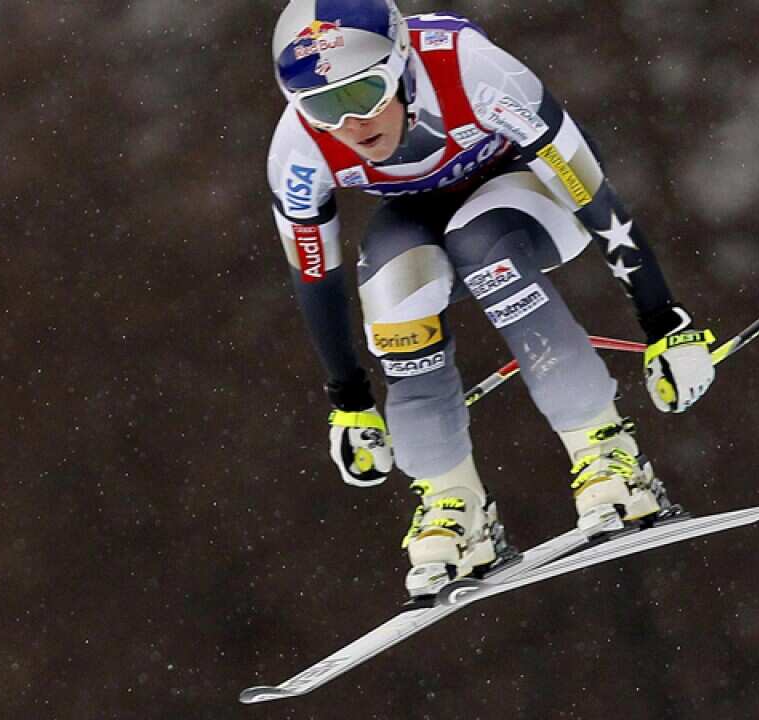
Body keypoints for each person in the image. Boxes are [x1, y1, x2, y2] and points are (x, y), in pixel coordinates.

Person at [267, 0, 717, 597]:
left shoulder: (472, 71)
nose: (353, 123)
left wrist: (665, 321)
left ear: (400, 64)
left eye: (367, 92)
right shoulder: (298, 150)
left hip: (537, 196)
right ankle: (453, 501)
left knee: (483, 246)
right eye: (326, 106)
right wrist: (348, 400)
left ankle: (609, 456)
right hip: (423, 213)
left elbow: (591, 197)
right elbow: (316, 276)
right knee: (392, 284)